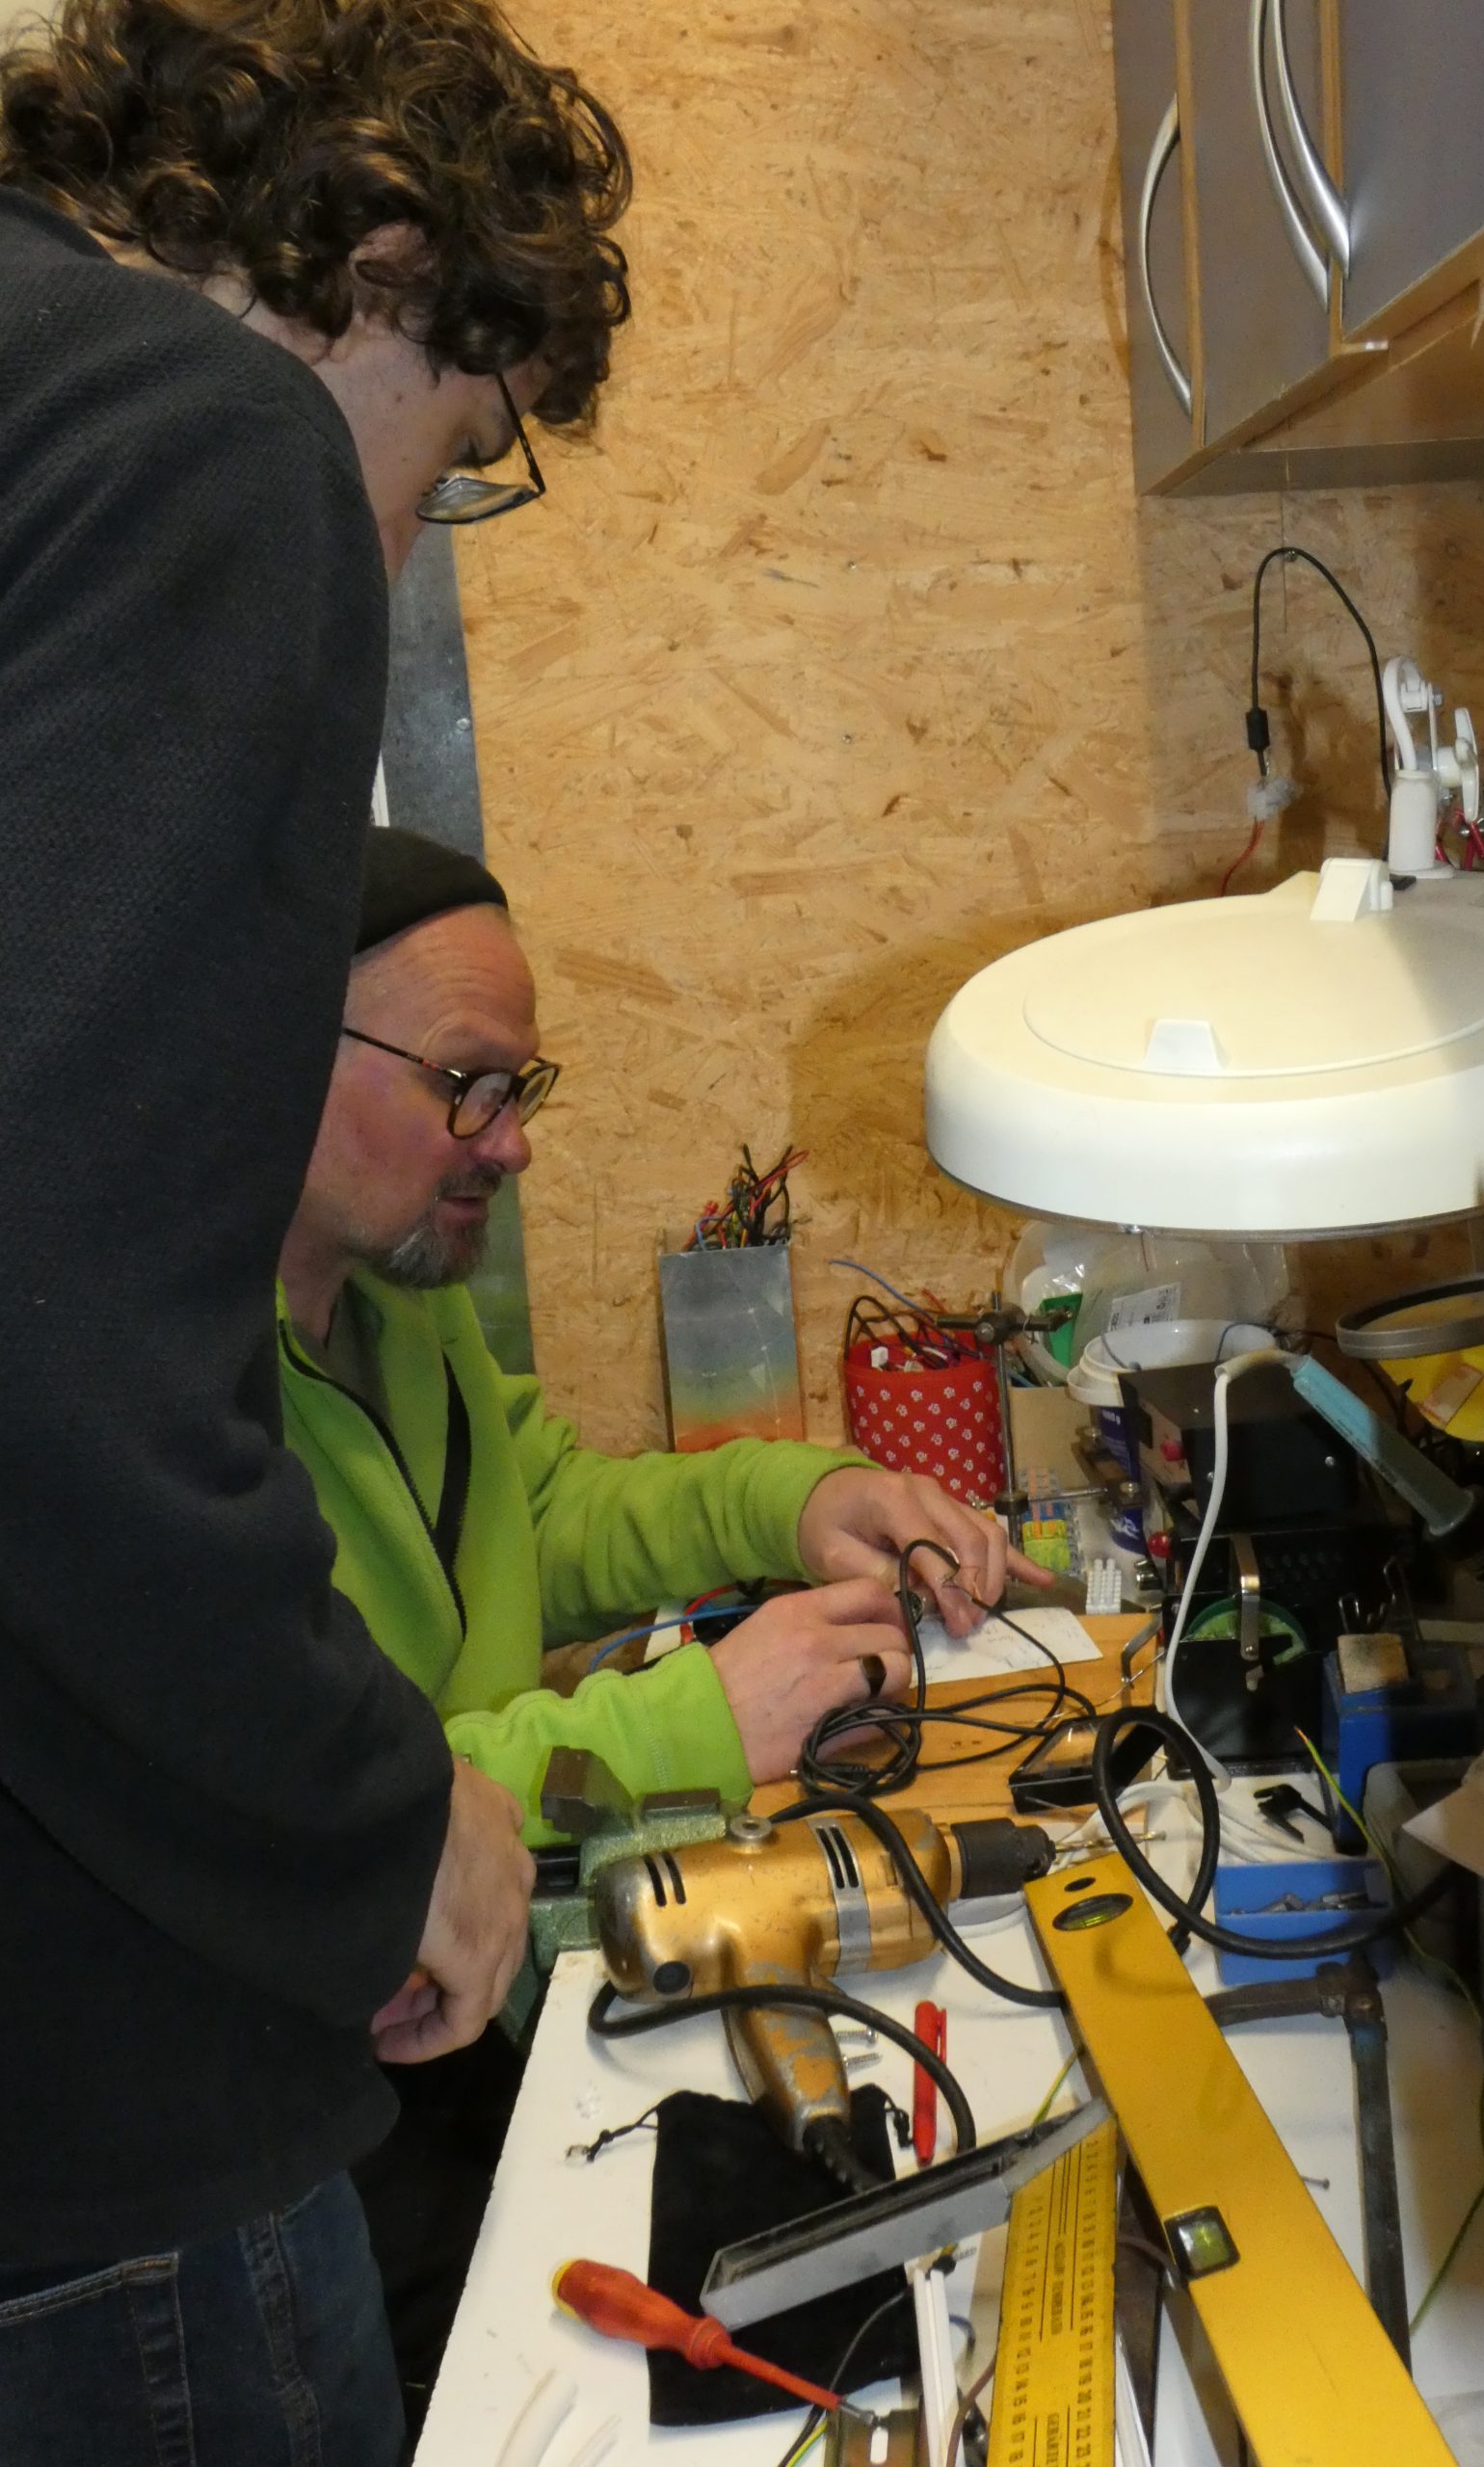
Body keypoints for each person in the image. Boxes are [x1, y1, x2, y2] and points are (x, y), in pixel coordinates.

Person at [0, 5, 634, 2460]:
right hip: (98, 2137)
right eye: (457, 459)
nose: (391, 546)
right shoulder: (197, 432)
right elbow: (55, 1351)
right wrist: (382, 1818)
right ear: (378, 261)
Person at [278, 826, 1044, 2428]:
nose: (511, 1144)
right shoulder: (171, 1415)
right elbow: (336, 1788)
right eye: (469, 1086)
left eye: (522, 1091)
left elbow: (546, 1516)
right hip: (334, 2101)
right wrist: (698, 1714)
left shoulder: (399, 1300)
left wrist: (806, 1497)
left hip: (493, 1991)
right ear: (275, 1051)